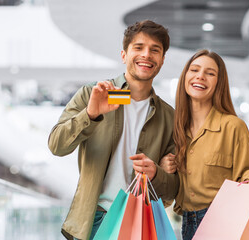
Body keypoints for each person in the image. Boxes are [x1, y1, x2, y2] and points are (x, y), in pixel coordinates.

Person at [48, 20, 179, 240]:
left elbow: (173, 189)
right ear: (124, 55)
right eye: (138, 47)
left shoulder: (168, 117)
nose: (146, 55)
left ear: (162, 60)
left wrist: (156, 173)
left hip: (140, 221)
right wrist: (89, 115)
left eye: (154, 50)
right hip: (95, 219)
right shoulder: (93, 94)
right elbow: (56, 146)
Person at [160, 49, 249, 240]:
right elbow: (169, 192)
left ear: (219, 83)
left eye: (210, 73)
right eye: (194, 70)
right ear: (185, 77)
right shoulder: (175, 129)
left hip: (223, 222)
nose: (200, 76)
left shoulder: (233, 127)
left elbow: (243, 177)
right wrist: (165, 169)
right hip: (187, 222)